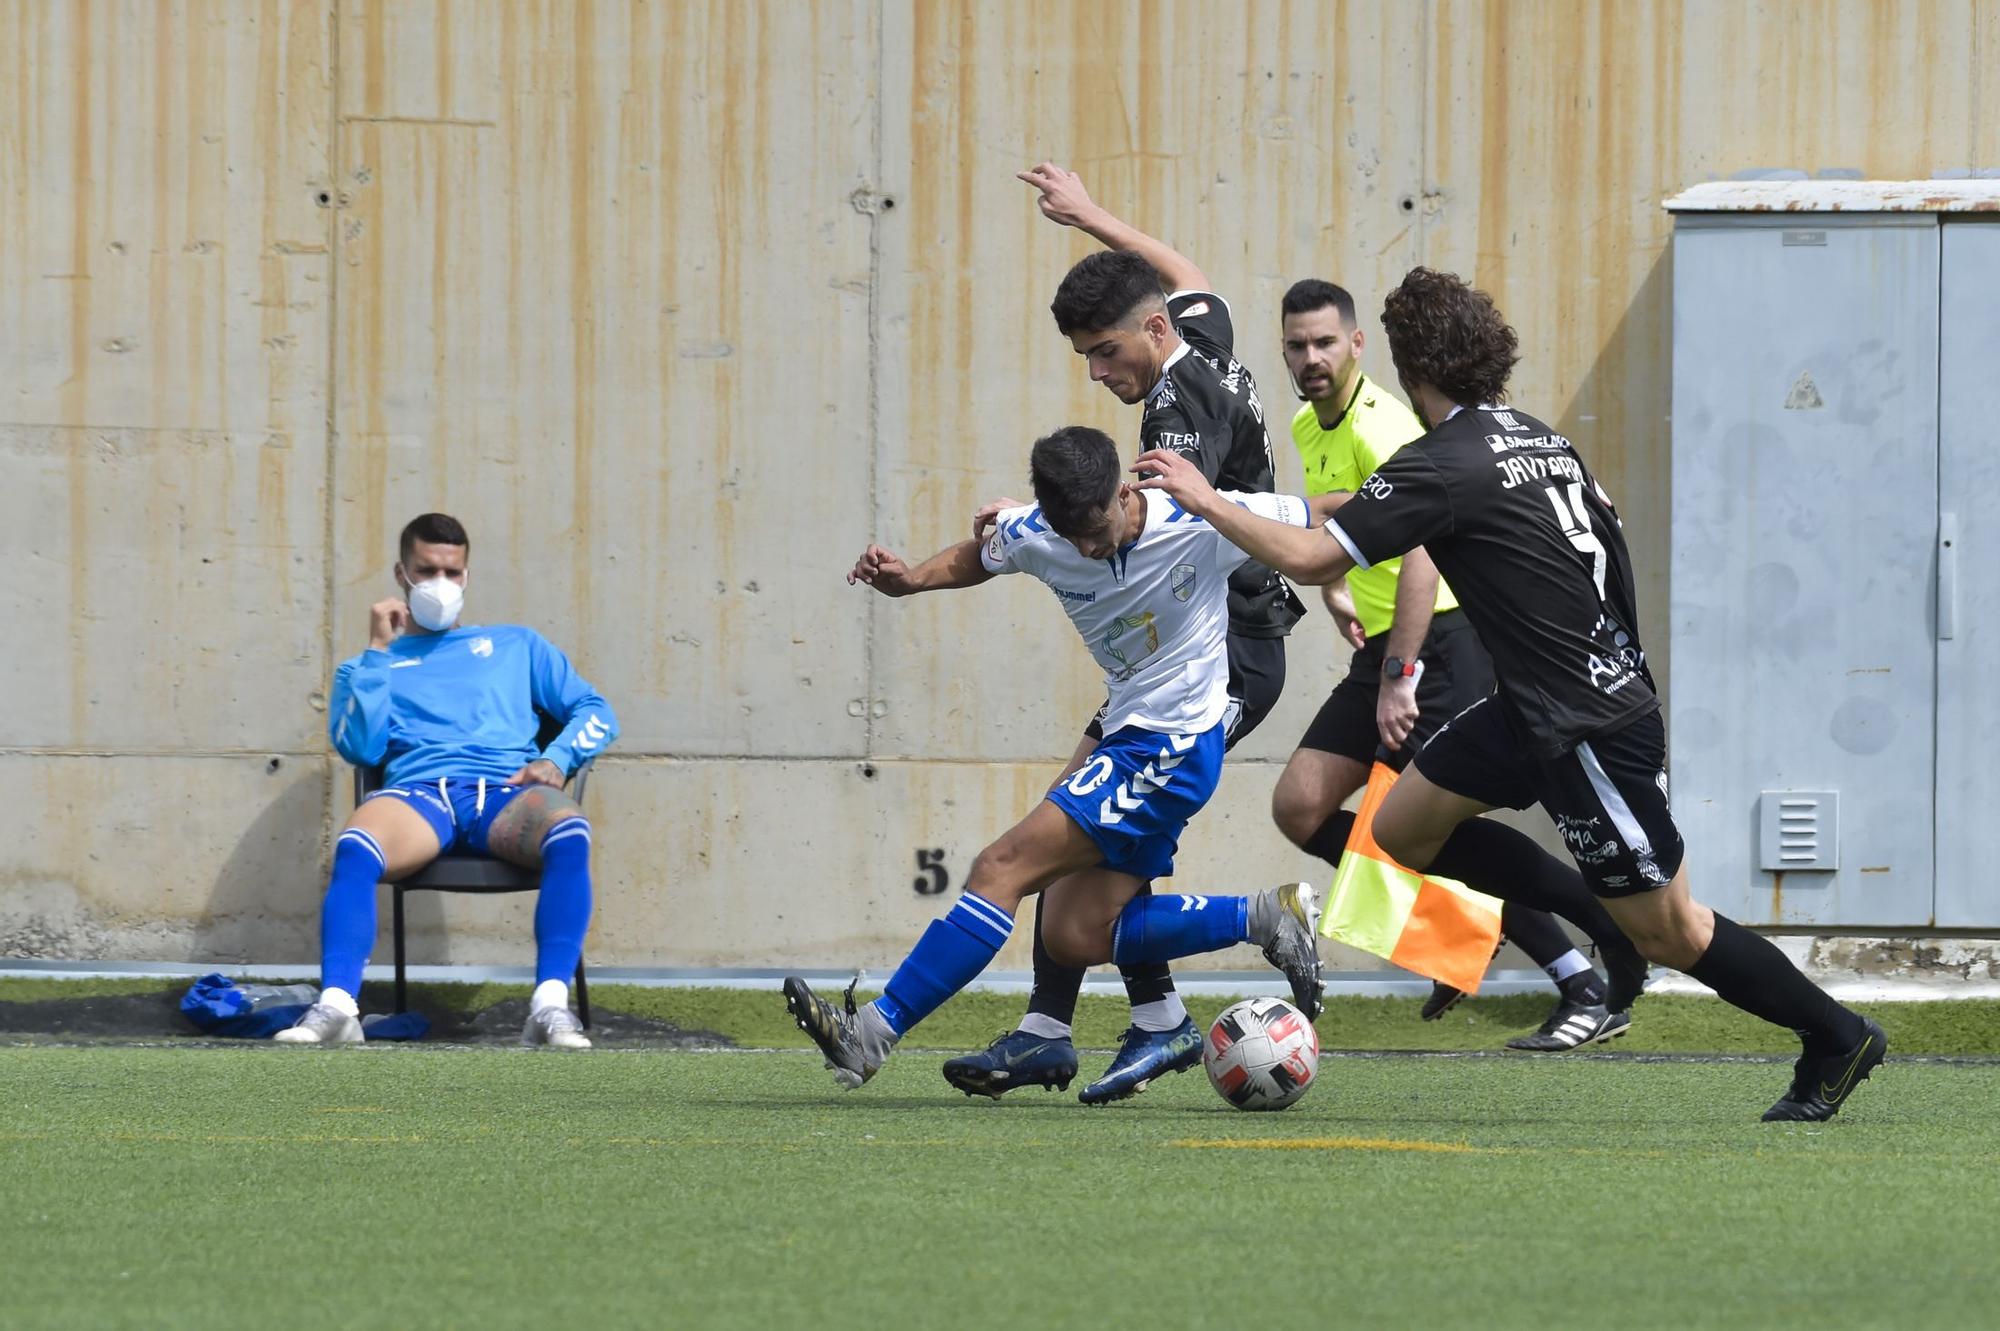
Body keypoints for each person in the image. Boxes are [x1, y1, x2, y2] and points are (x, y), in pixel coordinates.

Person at [1134, 268, 1884, 1122]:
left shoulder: (1440, 462)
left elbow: (1312, 560)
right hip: (1534, 704)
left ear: (1414, 371)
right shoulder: (1534, 436)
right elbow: (1605, 542)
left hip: (1587, 726)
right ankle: (1593, 920)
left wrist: (1203, 498)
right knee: (1402, 828)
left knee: (1670, 928)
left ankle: (1835, 1034)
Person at [784, 426, 1327, 1091]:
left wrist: (1415, 509)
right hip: (1130, 736)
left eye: (1098, 529)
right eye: (1074, 538)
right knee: (1074, 934)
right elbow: (979, 555)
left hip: (1172, 745)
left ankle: (870, 1034)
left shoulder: (1194, 515)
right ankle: (1264, 916)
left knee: (1000, 867)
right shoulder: (1039, 529)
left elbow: (1327, 515)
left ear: (1125, 488)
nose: (1089, 549)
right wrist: (908, 580)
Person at [942, 163, 1306, 1105]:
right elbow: (1178, 266)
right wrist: (1089, 216)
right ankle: (1080, 1029)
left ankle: (1184, 985)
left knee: (1099, 841)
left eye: (1105, 354)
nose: (1099, 375)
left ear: (1150, 334)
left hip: (1227, 656)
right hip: (1194, 651)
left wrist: (1031, 515)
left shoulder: (1175, 415)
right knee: (1085, 821)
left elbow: (1137, 521)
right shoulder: (1202, 341)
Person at [1273, 278, 1641, 1050]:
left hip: (1437, 644)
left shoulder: (1392, 427)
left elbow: (1421, 556)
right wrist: (1340, 592)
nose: (1310, 357)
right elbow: (1346, 526)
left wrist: (1400, 677)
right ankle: (1454, 928)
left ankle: (1581, 974)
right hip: (1381, 645)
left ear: (1358, 346)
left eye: (1324, 342)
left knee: (1435, 823)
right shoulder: (1310, 423)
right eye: (1297, 344)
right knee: (1301, 807)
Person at [277, 513, 618, 1050]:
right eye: (426, 570)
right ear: (401, 574)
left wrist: (555, 759)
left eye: (452, 573)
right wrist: (375, 653)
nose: (440, 584)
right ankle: (339, 1006)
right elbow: (360, 749)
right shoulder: (367, 665)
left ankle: (549, 1008)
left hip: (507, 792)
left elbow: (595, 710)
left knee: (570, 831)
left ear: (466, 576)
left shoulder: (516, 645)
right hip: (419, 795)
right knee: (355, 845)